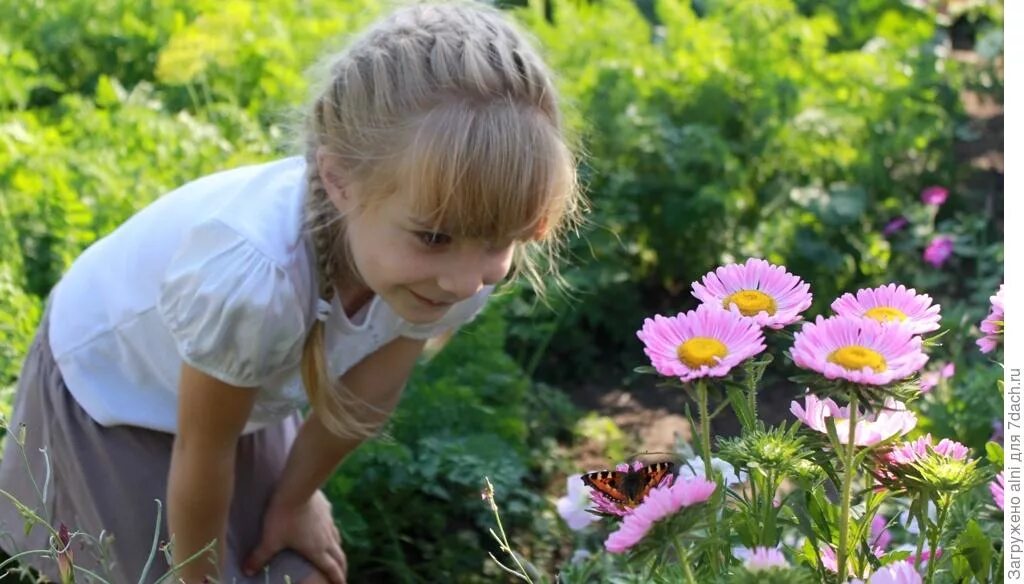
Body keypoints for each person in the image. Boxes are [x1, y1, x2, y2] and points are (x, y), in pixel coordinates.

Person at [0, 2, 583, 582]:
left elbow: (366, 398)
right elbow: (203, 452)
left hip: (232, 392)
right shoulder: (256, 282)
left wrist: (294, 500)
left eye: (500, 240)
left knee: (300, 572)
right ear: (339, 180)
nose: (465, 281)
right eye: (433, 237)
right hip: (115, 394)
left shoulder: (447, 269)